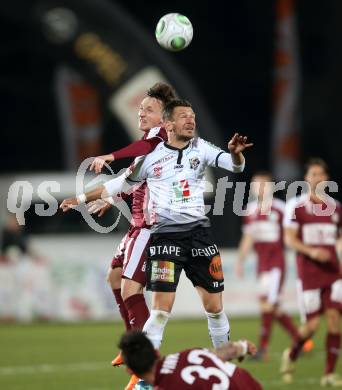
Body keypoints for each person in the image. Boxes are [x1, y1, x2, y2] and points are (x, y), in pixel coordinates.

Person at [60, 99, 253, 355]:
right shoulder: (151, 157)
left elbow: (235, 166)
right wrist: (80, 198)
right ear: (169, 124)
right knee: (161, 311)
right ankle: (145, 377)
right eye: (184, 116)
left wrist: (236, 153)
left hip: (200, 237)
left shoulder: (201, 148)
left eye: (193, 116)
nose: (191, 120)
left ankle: (224, 368)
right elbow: (118, 184)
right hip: (166, 240)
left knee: (215, 308)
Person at [87, 82, 177, 390]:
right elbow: (132, 183)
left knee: (130, 290)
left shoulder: (159, 138)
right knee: (114, 278)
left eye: (148, 109)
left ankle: (144, 365)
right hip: (138, 225)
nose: (140, 112)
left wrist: (111, 155)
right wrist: (110, 198)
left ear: (164, 119)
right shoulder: (150, 145)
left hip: (151, 227)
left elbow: (139, 158)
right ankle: (133, 349)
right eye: (140, 108)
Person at [280, 158, 342, 386]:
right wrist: (312, 252)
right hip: (309, 273)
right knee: (312, 326)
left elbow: (339, 236)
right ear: (306, 179)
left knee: (335, 321)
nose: (317, 178)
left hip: (334, 272)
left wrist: (338, 248)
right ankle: (292, 353)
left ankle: (328, 374)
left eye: (321, 174)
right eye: (313, 174)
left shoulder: (335, 207)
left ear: (326, 178)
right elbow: (289, 239)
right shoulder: (296, 206)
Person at [235, 171, 299, 361]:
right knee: (274, 307)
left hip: (276, 264)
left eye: (263, 184)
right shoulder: (250, 210)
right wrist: (240, 261)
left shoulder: (281, 208)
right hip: (262, 265)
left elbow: (291, 236)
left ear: (271, 187)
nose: (259, 188)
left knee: (267, 305)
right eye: (256, 185)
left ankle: (262, 349)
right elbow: (248, 238)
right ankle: (300, 339)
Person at [118, 330, 263, 389]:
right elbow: (220, 353)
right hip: (250, 384)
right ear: (156, 352)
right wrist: (242, 347)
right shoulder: (187, 354)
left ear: (130, 370)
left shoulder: (167, 386)